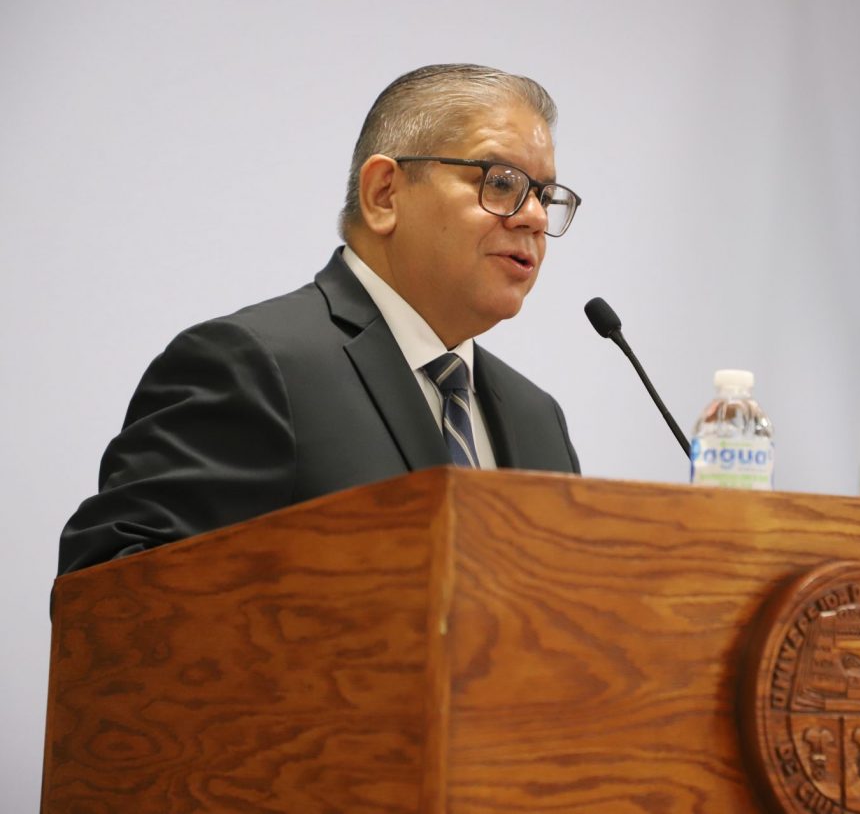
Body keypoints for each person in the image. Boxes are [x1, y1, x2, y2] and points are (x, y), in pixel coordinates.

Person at [59, 64, 582, 575]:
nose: (535, 217)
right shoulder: (252, 368)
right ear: (384, 194)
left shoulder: (536, 419)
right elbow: (112, 594)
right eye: (501, 182)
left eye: (544, 195)